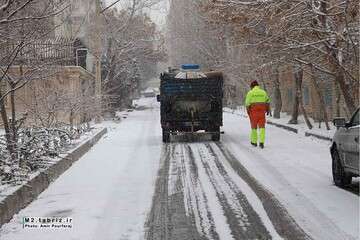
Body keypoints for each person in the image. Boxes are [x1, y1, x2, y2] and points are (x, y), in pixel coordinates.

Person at [245, 80, 270, 148]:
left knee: (254, 128)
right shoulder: (263, 92)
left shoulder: (250, 93)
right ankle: (261, 142)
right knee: (262, 128)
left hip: (253, 113)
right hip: (262, 113)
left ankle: (254, 142)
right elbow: (267, 101)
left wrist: (248, 112)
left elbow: (247, 103)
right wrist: (267, 110)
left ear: (252, 86)